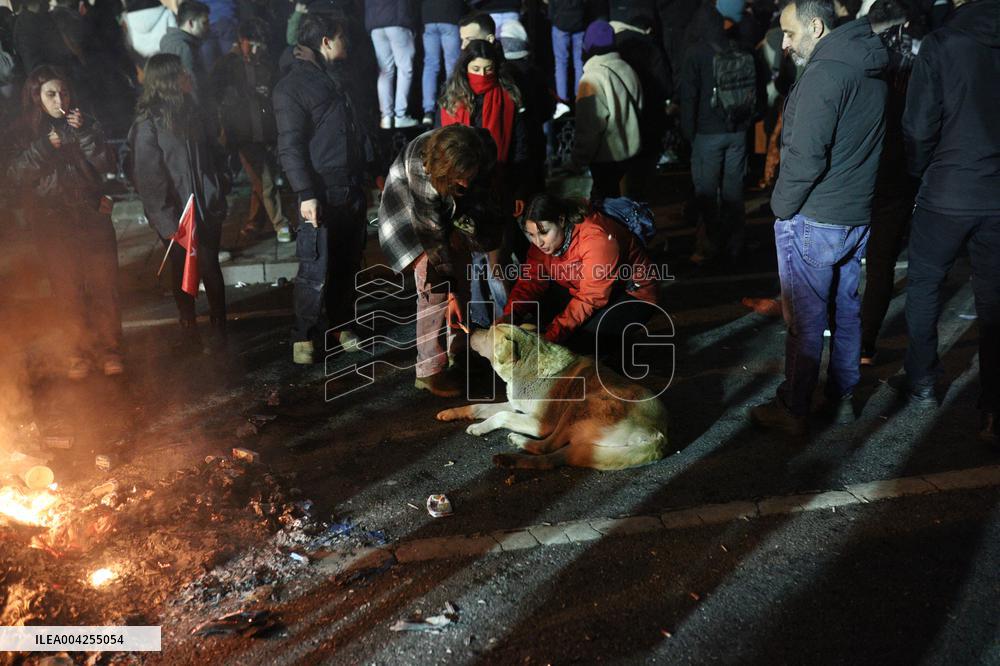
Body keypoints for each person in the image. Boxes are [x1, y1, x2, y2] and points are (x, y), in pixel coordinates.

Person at [749, 0, 888, 434]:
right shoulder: (870, 63)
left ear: (816, 25)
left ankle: (794, 407)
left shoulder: (825, 74)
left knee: (806, 322)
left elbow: (806, 156)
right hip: (855, 212)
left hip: (816, 216)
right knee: (845, 311)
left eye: (790, 34)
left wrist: (780, 207)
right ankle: (842, 396)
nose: (785, 44)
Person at [899, 0, 1000, 445]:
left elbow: (918, 127)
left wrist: (920, 170)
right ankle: (994, 406)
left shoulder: (941, 44)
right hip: (996, 194)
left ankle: (922, 382)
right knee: (994, 300)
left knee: (924, 284)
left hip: (946, 189)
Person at [7, 65, 123, 379]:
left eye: (64, 92)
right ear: (36, 97)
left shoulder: (85, 123)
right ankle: (78, 352)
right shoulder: (24, 132)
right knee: (67, 290)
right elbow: (15, 175)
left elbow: (106, 163)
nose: (60, 99)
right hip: (53, 221)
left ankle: (110, 349)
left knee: (103, 285)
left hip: (91, 216)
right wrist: (44, 147)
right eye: (50, 94)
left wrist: (85, 133)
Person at [274, 10, 374, 364]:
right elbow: (290, 146)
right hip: (320, 189)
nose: (348, 42)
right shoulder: (292, 86)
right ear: (326, 41)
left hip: (352, 184)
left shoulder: (340, 76)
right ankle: (304, 335)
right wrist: (306, 193)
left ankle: (343, 323)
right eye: (341, 36)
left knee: (349, 260)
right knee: (315, 263)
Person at [378, 125, 502, 397]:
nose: (467, 183)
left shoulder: (482, 147)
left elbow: (483, 196)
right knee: (434, 290)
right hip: (410, 222)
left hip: (450, 212)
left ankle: (457, 353)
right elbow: (432, 235)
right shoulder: (421, 165)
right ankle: (429, 370)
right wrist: (450, 291)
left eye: (469, 175)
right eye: (461, 178)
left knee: (463, 277)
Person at [130, 53, 230, 352]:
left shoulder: (194, 111)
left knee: (210, 266)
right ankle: (188, 327)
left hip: (205, 205)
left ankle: (220, 328)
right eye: (181, 72)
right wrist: (166, 220)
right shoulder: (148, 123)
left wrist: (218, 185)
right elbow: (148, 177)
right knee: (182, 268)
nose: (188, 74)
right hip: (176, 215)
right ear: (167, 80)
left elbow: (216, 152)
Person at [502, 194, 659, 349]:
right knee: (539, 313)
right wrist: (510, 315)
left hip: (632, 294)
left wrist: (551, 337)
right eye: (531, 235)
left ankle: (616, 350)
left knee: (578, 339)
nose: (538, 242)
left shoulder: (597, 240)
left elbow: (590, 298)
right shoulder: (544, 243)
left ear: (561, 220)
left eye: (544, 233)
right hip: (587, 289)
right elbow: (531, 280)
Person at [859, 0, 919, 365]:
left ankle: (841, 330)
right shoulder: (918, 57)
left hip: (860, 164)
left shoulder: (860, 55)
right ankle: (864, 344)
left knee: (844, 254)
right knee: (881, 260)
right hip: (899, 166)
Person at [678, 0, 760, 265]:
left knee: (706, 192)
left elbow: (689, 97)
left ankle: (708, 245)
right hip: (737, 131)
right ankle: (735, 242)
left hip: (707, 133)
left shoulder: (696, 52)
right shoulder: (742, 49)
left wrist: (689, 133)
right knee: (733, 190)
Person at [212, 18, 291, 243]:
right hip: (240, 134)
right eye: (253, 44)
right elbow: (213, 99)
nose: (258, 49)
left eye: (261, 45)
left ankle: (254, 223)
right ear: (242, 41)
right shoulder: (226, 65)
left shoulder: (265, 63)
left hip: (263, 132)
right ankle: (281, 224)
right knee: (265, 179)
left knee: (260, 179)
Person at [571, 19, 643, 200]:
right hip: (632, 155)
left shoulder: (592, 78)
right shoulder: (627, 68)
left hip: (606, 159)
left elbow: (589, 127)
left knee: (607, 215)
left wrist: (578, 159)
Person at [613, 15, 673, 200]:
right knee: (643, 180)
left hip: (623, 125)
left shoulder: (616, 47)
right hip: (650, 121)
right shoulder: (652, 48)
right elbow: (666, 86)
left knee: (624, 182)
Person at [366, 0, 420, 129]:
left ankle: (386, 117)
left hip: (374, 22)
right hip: (396, 20)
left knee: (385, 71)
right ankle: (400, 116)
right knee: (405, 69)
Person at [420, 0, 463, 126]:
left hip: (429, 16)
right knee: (452, 65)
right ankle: (453, 105)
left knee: (430, 66)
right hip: (450, 15)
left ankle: (428, 111)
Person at [159, 0, 212, 103]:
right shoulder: (184, 48)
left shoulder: (170, 40)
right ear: (191, 23)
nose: (208, 27)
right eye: (204, 23)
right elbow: (192, 87)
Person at [546, 0, 587, 118]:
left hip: (560, 23)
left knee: (561, 63)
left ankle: (562, 101)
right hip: (579, 21)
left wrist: (553, 18)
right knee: (579, 62)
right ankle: (581, 98)